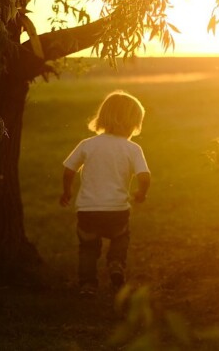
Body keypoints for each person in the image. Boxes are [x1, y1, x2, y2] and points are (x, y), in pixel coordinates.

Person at [59, 90, 151, 297]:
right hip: (117, 209)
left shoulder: (87, 145)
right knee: (120, 237)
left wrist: (67, 191)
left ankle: (88, 285)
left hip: (88, 210)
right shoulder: (133, 149)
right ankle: (116, 263)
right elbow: (144, 177)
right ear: (134, 123)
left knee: (88, 248)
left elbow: (68, 171)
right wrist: (141, 193)